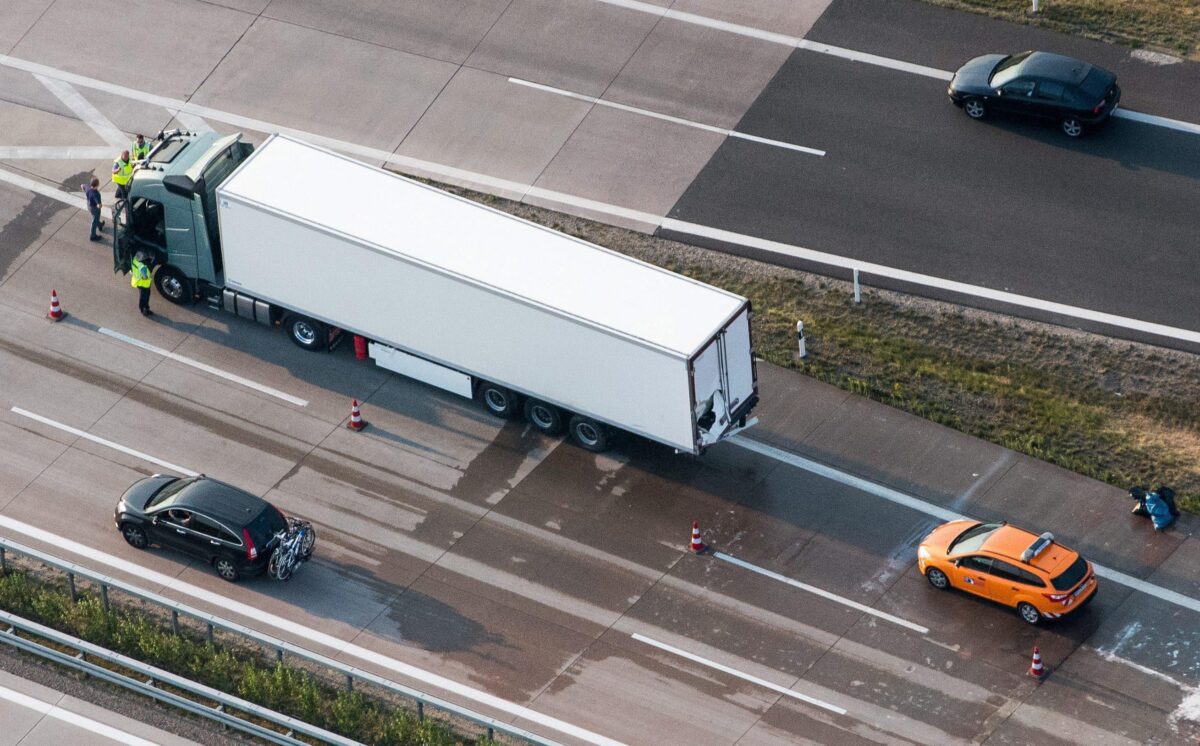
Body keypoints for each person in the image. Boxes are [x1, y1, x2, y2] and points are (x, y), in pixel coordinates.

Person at [131, 250, 153, 316]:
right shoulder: (142, 267)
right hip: (144, 284)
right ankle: (144, 310)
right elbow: (145, 277)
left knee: (142, 296)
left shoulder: (134, 260)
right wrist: (148, 277)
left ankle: (143, 309)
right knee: (145, 298)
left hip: (137, 282)